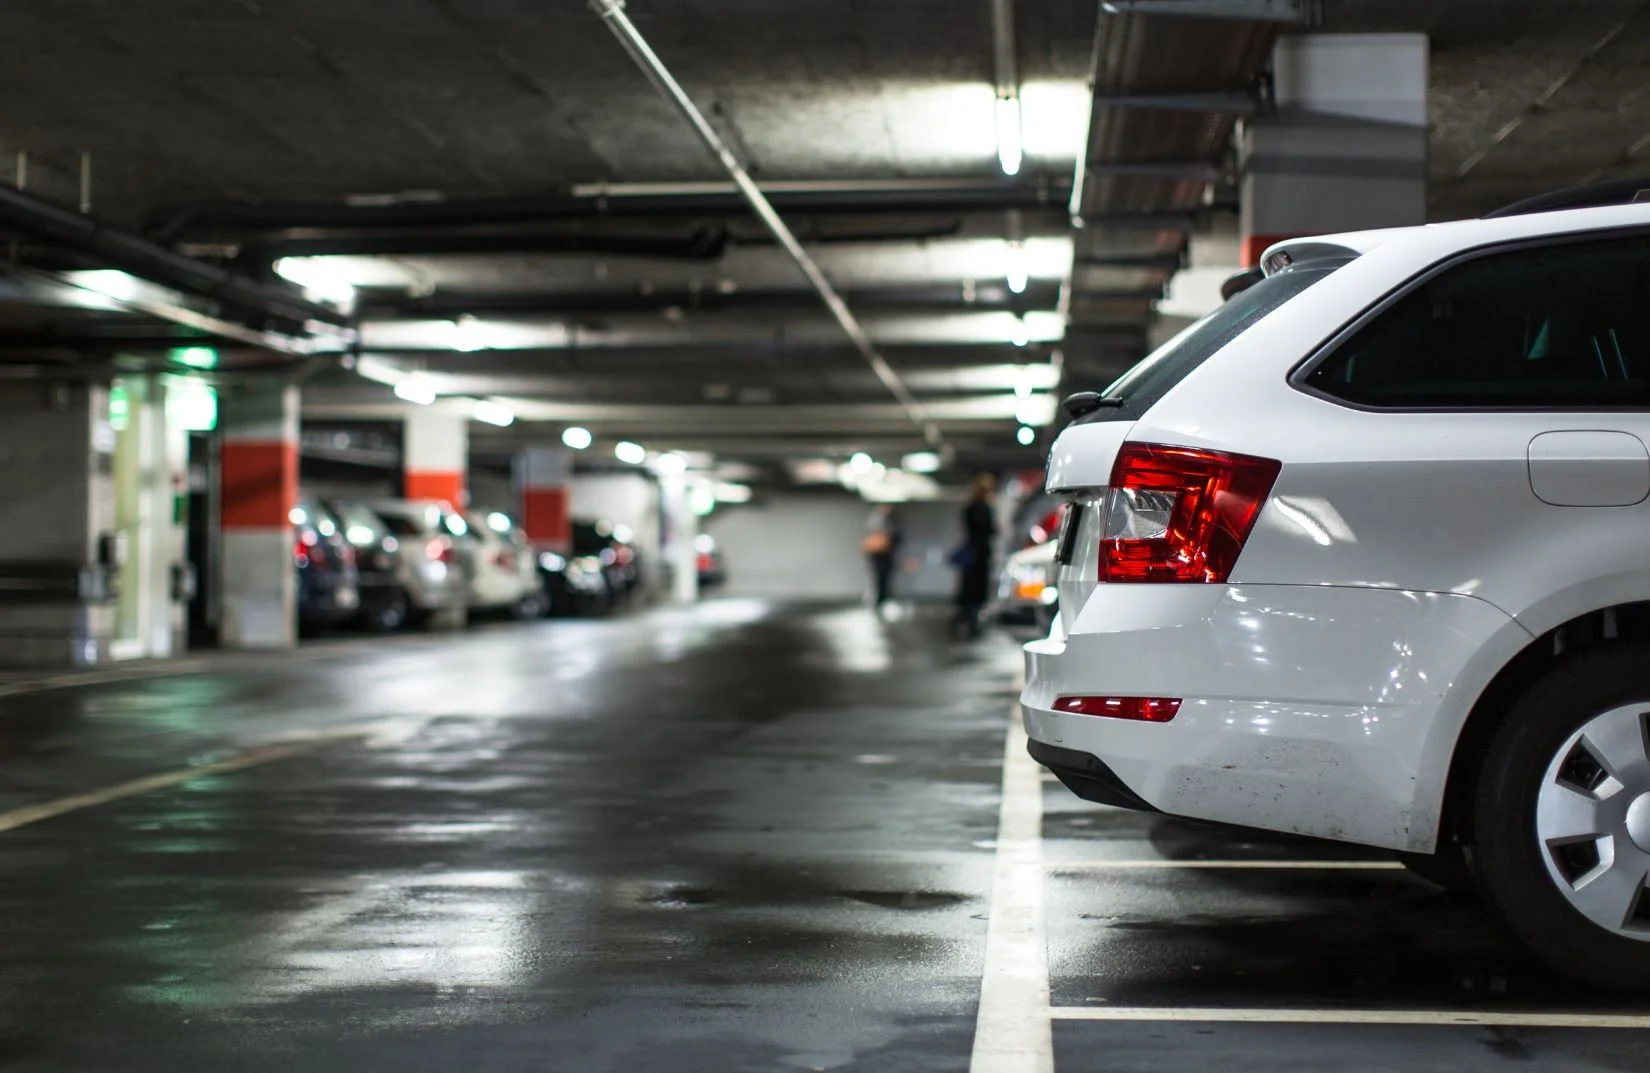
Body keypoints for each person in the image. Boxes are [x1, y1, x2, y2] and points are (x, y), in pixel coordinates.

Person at [950, 473, 997, 639]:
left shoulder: (969, 507)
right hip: (979, 554)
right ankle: (970, 621)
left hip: (973, 552)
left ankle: (964, 618)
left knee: (968, 588)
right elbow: (988, 529)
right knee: (976, 589)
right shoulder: (982, 508)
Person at [862, 504, 902, 611]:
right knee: (878, 580)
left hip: (883, 555)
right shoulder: (878, 520)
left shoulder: (889, 522)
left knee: (883, 580)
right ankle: (878, 601)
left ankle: (882, 601)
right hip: (879, 556)